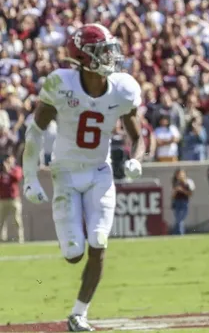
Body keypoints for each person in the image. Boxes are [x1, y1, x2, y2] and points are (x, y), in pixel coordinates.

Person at [21, 24, 145, 332]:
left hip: (99, 172)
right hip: (64, 173)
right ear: (83, 57)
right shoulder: (61, 84)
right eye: (103, 51)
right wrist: (30, 176)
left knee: (99, 241)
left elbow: (138, 137)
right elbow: (35, 131)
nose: (111, 56)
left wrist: (136, 159)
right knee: (74, 253)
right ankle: (73, 254)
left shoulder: (122, 88)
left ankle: (79, 314)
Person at [0, 156, 24, 242]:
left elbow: (17, 178)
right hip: (3, 200)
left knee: (17, 220)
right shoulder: (2, 172)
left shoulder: (16, 169)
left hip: (14, 199)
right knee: (1, 221)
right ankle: (2, 239)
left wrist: (8, 171)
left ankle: (19, 238)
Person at [171, 168, 195, 235]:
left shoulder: (188, 182)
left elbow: (190, 193)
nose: (180, 176)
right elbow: (173, 195)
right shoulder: (176, 183)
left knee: (180, 219)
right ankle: (178, 233)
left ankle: (178, 233)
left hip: (184, 202)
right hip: (177, 202)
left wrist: (182, 190)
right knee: (178, 219)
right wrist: (176, 190)